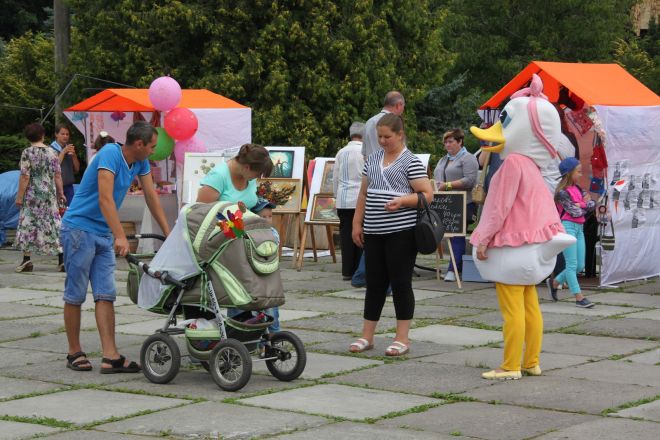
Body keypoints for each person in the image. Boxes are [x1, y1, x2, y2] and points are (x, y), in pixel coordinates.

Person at [61, 121, 170, 373]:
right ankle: (74, 351)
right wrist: (120, 236)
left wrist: (169, 232)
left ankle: (110, 356)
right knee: (75, 293)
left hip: (101, 232)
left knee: (105, 294)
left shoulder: (140, 162)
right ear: (139, 144)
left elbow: (151, 196)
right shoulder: (110, 153)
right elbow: (105, 197)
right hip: (79, 229)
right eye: (152, 146)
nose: (154, 151)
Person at [349, 114, 433, 357]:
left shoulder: (411, 162)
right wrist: (357, 223)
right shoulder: (373, 159)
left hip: (401, 232)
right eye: (380, 137)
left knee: (400, 283)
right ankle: (367, 335)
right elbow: (363, 194)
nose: (383, 141)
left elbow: (427, 195)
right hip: (374, 230)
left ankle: (402, 337)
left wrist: (403, 200)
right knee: (374, 283)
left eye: (388, 137)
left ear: (400, 135)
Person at [14, 123, 66, 273]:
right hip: (49, 195)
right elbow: (57, 175)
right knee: (53, 223)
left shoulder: (27, 153)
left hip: (32, 195)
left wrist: (19, 197)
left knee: (28, 224)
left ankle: (27, 260)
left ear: (28, 137)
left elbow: (25, 176)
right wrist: (61, 193)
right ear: (43, 135)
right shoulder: (53, 152)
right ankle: (62, 260)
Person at [547, 157, 596, 308]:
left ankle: (554, 283)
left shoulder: (579, 189)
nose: (581, 175)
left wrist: (582, 204)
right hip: (567, 228)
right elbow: (575, 212)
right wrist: (585, 204)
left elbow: (593, 204)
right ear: (569, 173)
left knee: (579, 265)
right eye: (579, 171)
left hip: (579, 228)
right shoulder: (562, 193)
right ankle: (578, 297)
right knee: (572, 264)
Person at [433, 128, 478, 281]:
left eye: (451, 141)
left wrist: (448, 185)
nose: (447, 145)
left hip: (463, 202)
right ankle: (455, 265)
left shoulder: (468, 158)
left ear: (460, 141)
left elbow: (470, 181)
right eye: (445, 142)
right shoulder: (443, 160)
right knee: (447, 235)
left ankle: (453, 270)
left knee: (457, 235)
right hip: (444, 203)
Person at [333, 121, 365, 281]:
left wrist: (335, 196)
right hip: (361, 200)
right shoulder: (366, 152)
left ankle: (347, 270)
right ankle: (360, 269)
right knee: (361, 233)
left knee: (346, 235)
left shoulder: (341, 152)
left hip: (344, 199)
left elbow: (336, 177)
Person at [196, 143, 272, 208]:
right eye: (257, 174)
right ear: (247, 167)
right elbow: (199, 212)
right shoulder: (218, 176)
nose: (258, 177)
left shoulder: (249, 175)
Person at [252, 197, 281, 339]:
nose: (267, 220)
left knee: (271, 311)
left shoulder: (272, 233)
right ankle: (256, 341)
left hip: (269, 278)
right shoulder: (249, 234)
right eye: (263, 217)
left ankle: (274, 340)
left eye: (270, 216)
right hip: (255, 279)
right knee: (254, 314)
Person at [362, 91, 405, 159]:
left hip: (370, 168)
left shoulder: (368, 123)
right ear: (398, 105)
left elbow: (364, 154)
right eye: (403, 106)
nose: (403, 110)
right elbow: (401, 152)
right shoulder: (395, 123)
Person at [50, 124, 80, 206]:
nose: (65, 136)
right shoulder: (51, 149)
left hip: (69, 187)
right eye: (62, 134)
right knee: (57, 213)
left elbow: (77, 169)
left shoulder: (69, 148)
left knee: (69, 212)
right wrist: (63, 152)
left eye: (67, 134)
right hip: (55, 188)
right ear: (56, 134)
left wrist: (74, 155)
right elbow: (54, 166)